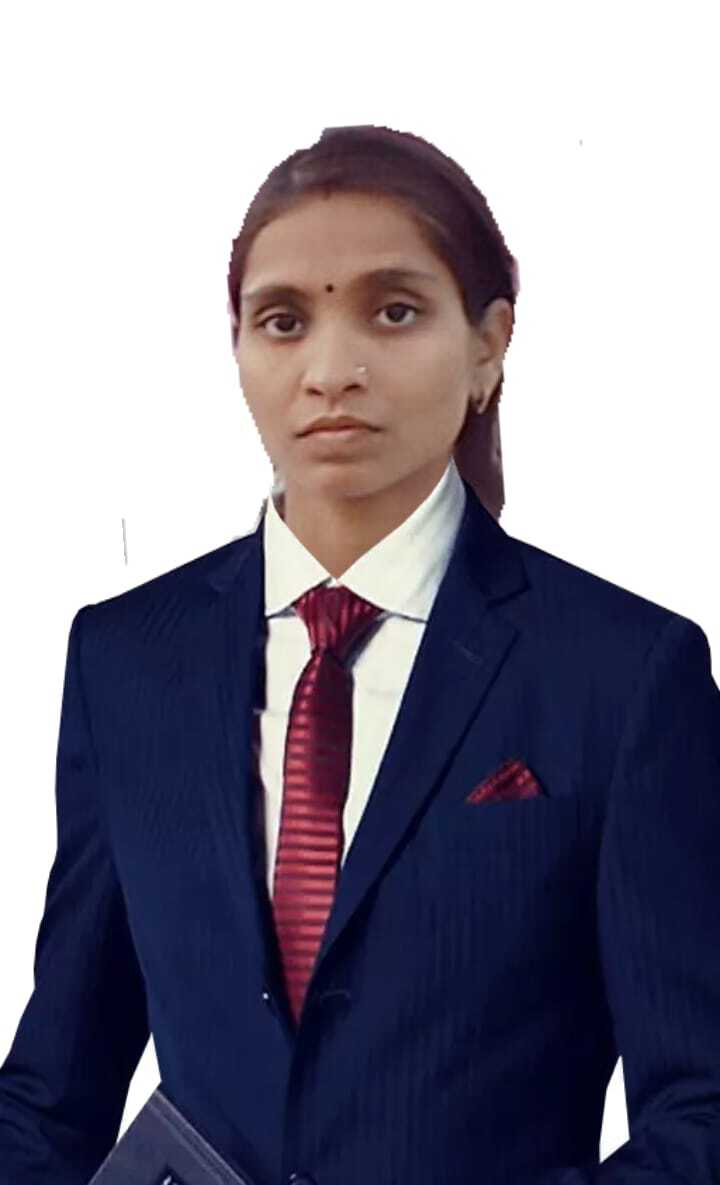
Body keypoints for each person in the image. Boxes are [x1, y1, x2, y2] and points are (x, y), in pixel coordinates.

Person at [1, 123, 718, 1185]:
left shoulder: (623, 676)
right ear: (238, 347)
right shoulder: (127, 662)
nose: (331, 371)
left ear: (489, 343)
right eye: (283, 320)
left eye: (394, 311)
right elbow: (55, 1092)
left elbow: (701, 1109)